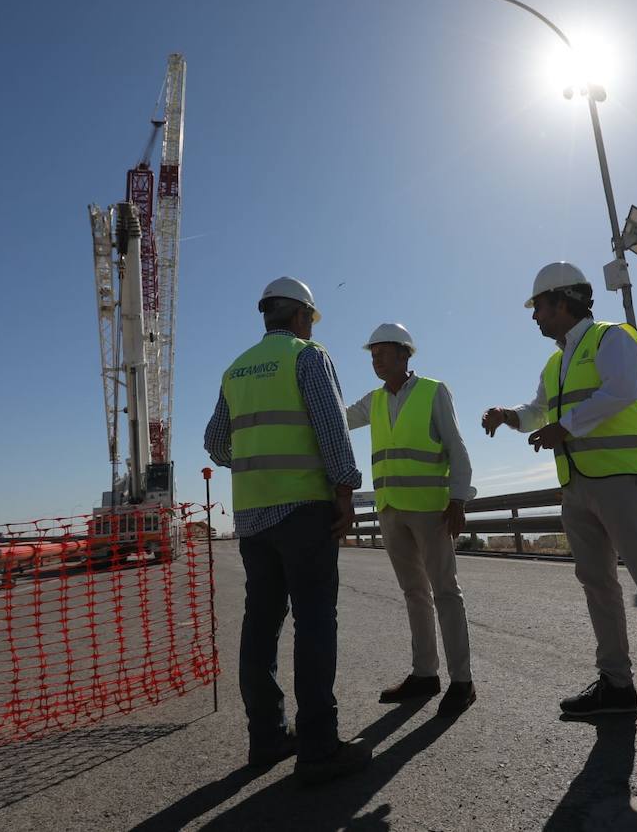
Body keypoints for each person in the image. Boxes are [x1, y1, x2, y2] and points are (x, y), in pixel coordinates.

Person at [481, 262, 637, 727]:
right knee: (597, 584)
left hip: (620, 480)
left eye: (538, 307)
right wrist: (508, 415)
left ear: (562, 301)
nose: (534, 317)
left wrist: (565, 427)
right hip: (576, 486)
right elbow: (538, 411)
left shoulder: (613, 337)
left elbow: (620, 391)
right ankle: (616, 685)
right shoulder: (555, 361)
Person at [204, 276, 372, 784]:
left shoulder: (235, 370)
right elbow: (331, 428)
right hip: (304, 508)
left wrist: (254, 460)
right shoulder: (307, 356)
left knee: (261, 625)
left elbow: (216, 443)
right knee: (315, 622)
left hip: (253, 518)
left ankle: (267, 738)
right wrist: (344, 491)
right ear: (301, 317)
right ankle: (319, 747)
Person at [345, 323, 476, 717]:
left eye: (383, 352)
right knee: (414, 594)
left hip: (431, 509)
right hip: (391, 509)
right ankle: (425, 674)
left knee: (446, 592)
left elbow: (455, 445)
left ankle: (463, 681)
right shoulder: (374, 401)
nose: (376, 359)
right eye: (372, 354)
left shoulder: (433, 391)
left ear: (404, 354)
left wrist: (458, 498)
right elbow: (339, 417)